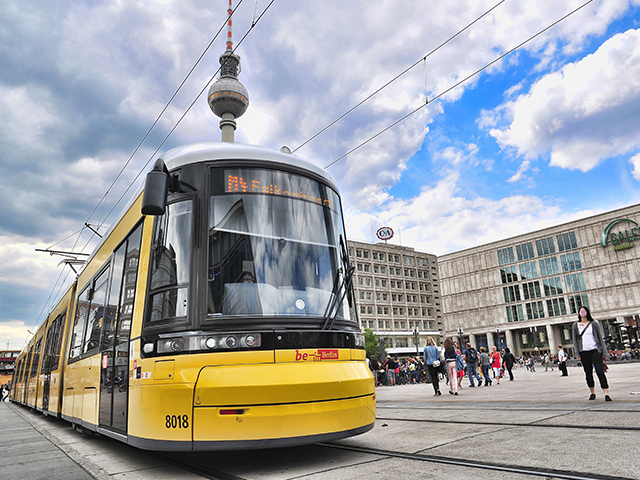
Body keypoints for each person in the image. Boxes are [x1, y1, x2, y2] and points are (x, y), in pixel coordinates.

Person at [572, 306, 611, 401]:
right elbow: (575, 340)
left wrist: (605, 352)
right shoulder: (575, 325)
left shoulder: (594, 324)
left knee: (600, 371)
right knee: (588, 373)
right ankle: (592, 392)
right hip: (584, 352)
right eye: (581, 310)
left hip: (595, 350)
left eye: (584, 310)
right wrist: (577, 353)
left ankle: (606, 393)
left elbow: (600, 339)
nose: (582, 312)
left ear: (587, 312)